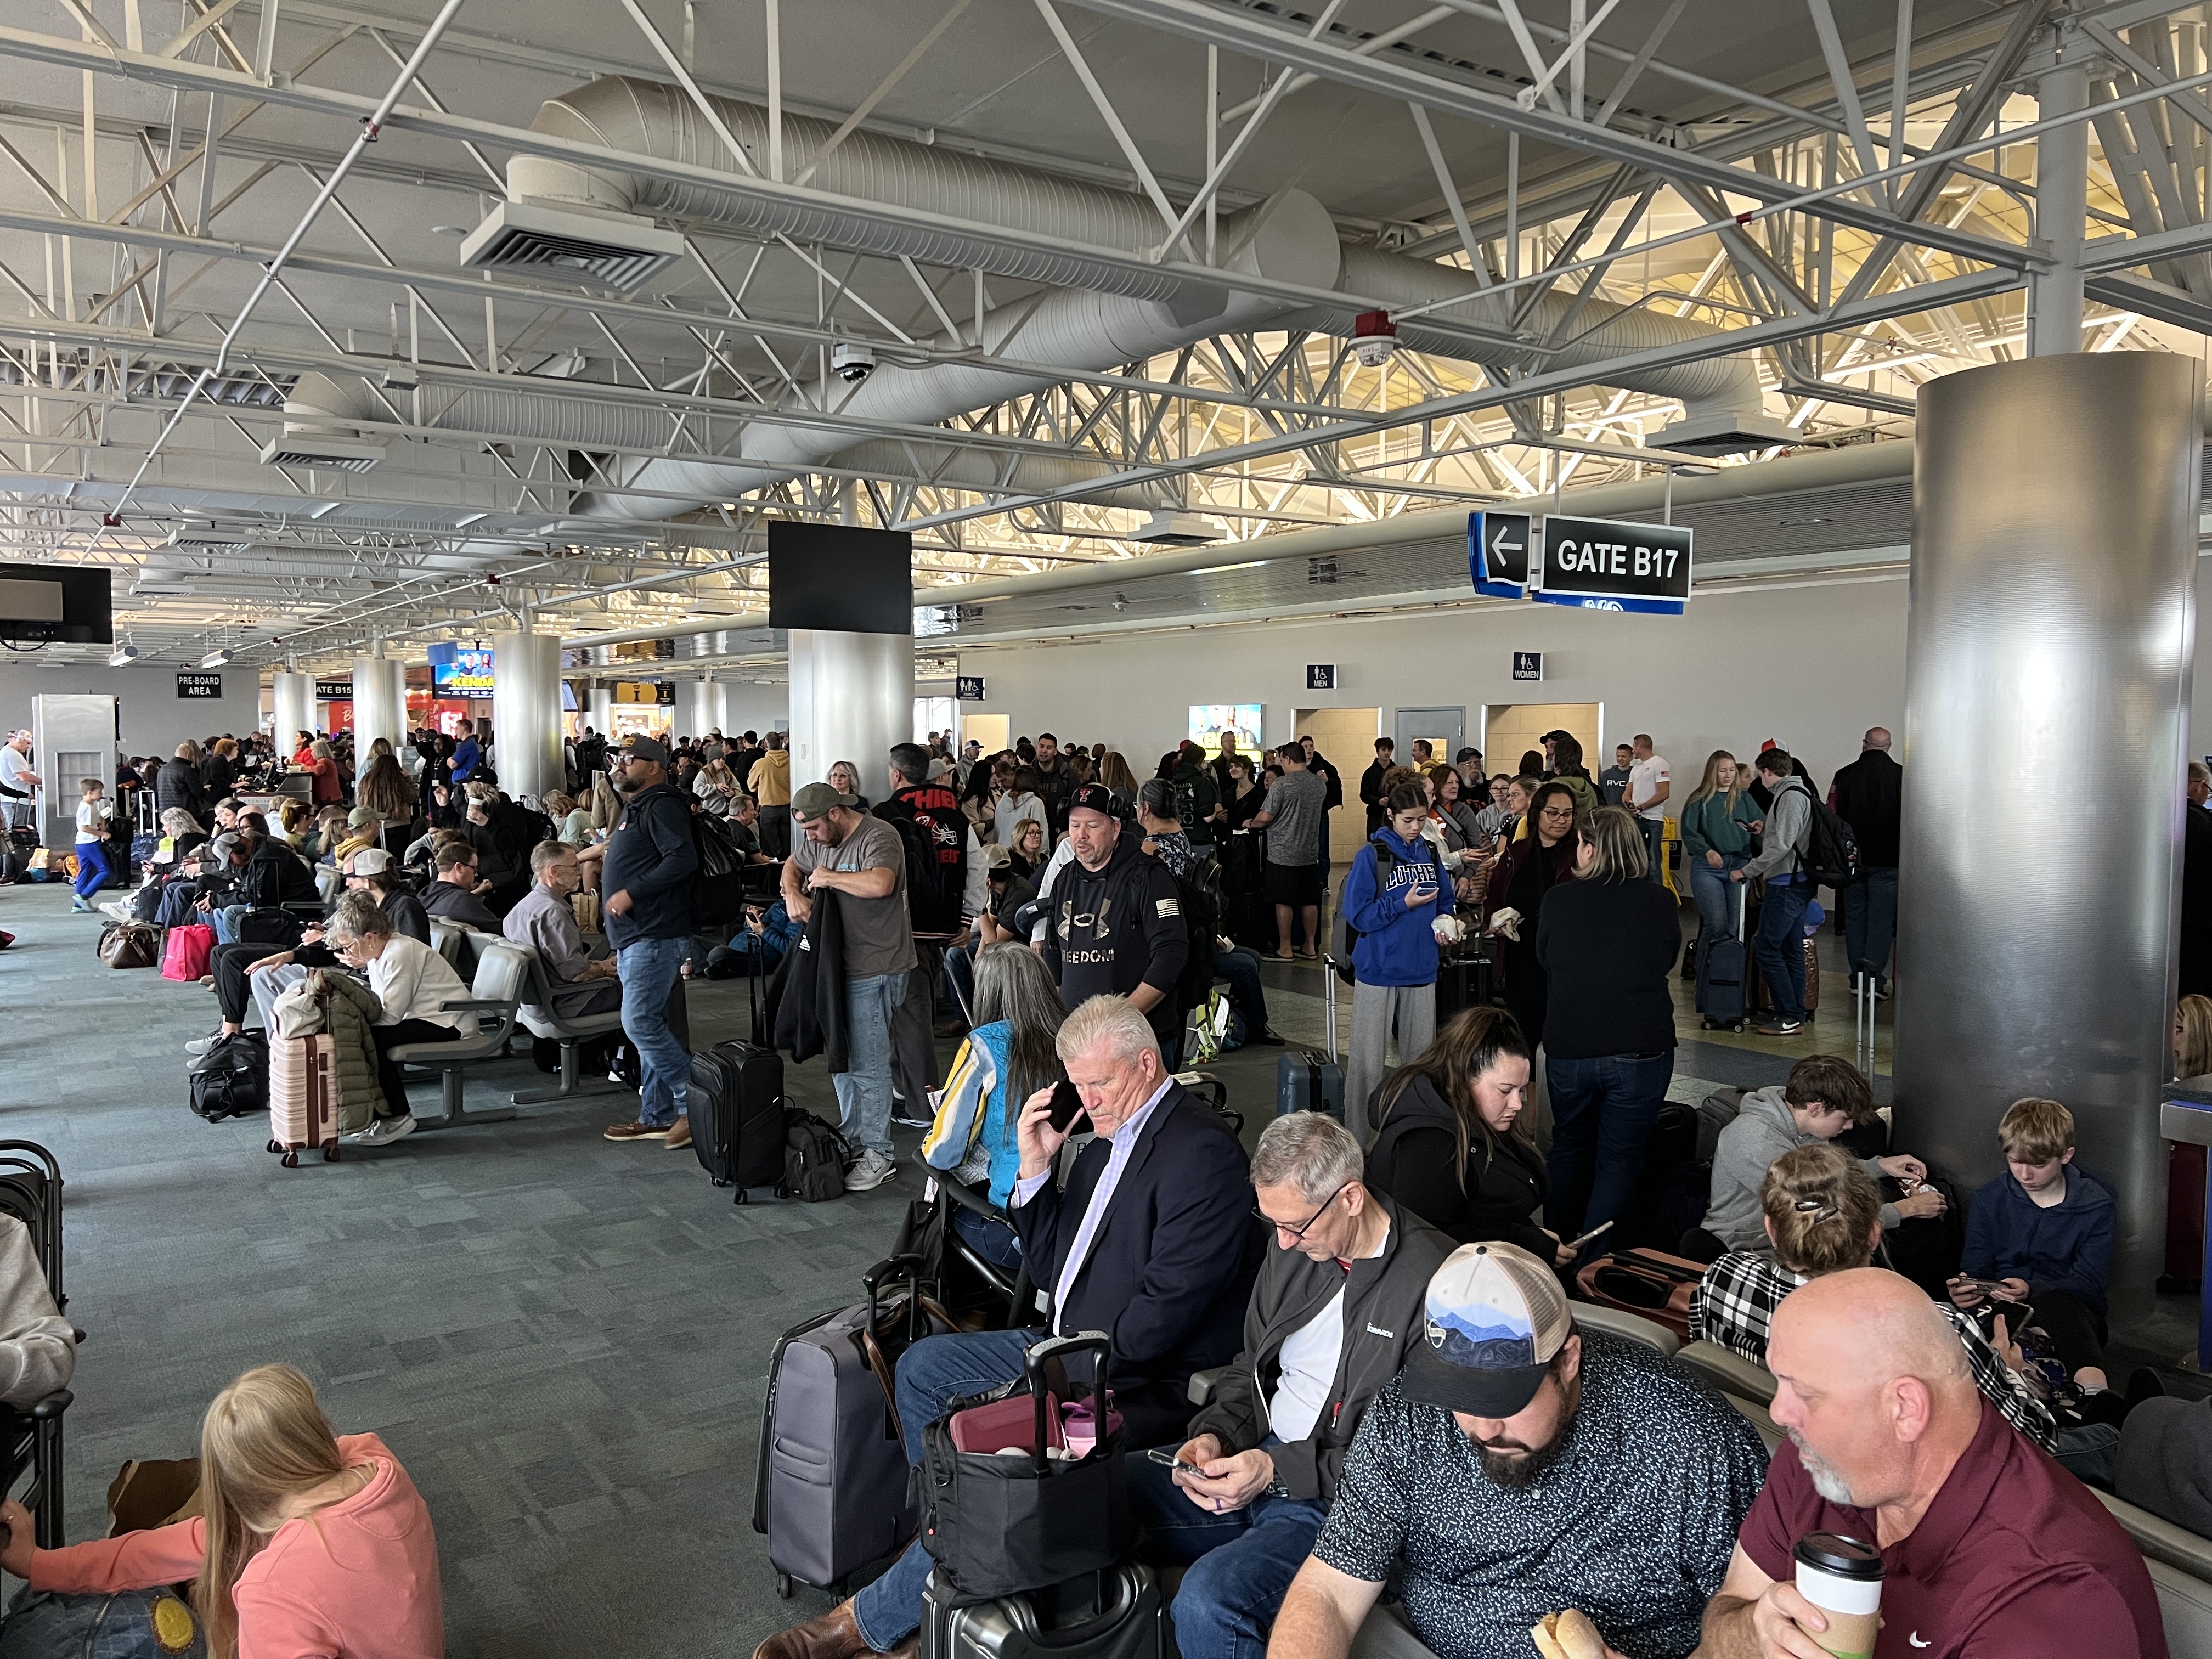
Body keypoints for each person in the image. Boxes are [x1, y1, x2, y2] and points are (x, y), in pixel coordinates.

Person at [758, 996, 1261, 1659]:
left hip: (1129, 1379)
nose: (1087, 1100)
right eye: (1077, 1084)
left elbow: (1160, 1320)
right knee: (923, 1370)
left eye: (1100, 1083)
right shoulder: (1107, 1141)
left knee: (987, 1464)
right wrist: (1036, 1166)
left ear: (1147, 1063)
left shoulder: (1200, 1155)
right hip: (1063, 1345)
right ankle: (948, 1550)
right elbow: (1050, 1266)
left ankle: (868, 1621)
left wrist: (1046, 1383)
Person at [1269, 1240, 1768, 1659]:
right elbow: (1330, 1592)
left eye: (1504, 1400)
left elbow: (1752, 1622)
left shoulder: (1689, 1438)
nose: (1483, 1428)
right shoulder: (1408, 1412)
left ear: (1568, 1360)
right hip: (1425, 1641)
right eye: (1459, 1398)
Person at [1697, 1269, 2165, 1659]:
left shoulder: (2057, 1600)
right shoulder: (1822, 1462)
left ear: (1905, 1408)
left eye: (1804, 1393)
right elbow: (1724, 1621)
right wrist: (1753, 1632)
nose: (1779, 1412)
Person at [1133, 1114, 1453, 1659]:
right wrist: (1215, 1435)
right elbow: (1250, 1367)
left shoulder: (1433, 1282)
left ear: (1351, 1198)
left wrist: (1276, 1472)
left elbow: (1415, 1460)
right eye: (1272, 1222)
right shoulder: (1293, 1250)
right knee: (1093, 1497)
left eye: (1297, 1226)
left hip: (1338, 1500)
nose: (1282, 1241)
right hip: (1253, 1458)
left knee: (1210, 1602)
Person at [0, 1363, 442, 1659]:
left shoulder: (275, 1589)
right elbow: (155, 1551)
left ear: (235, 1487)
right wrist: (40, 1564)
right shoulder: (375, 1462)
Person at [1688, 1145, 2068, 1454]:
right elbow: (2035, 1441)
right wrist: (2011, 1371)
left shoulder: (1722, 1277)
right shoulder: (1938, 1329)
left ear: (1771, 1228)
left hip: (1761, 1450)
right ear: (1874, 1233)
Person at [1536, 805, 1681, 1251]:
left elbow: (1546, 959)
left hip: (1571, 1044)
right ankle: (1593, 1264)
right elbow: (1666, 960)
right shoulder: (1659, 901)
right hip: (1640, 1045)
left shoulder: (1558, 899)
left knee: (1568, 1147)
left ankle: (1555, 1248)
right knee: (1620, 1160)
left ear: (1588, 849)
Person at [783, 780, 916, 1192]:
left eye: (814, 829)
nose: (810, 838)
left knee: (868, 1065)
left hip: (878, 965)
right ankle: (855, 1138)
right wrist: (792, 894)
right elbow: (792, 864)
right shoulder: (820, 840)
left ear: (836, 814)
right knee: (842, 1060)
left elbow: (881, 884)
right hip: (837, 966)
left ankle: (879, 1153)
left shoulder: (879, 836)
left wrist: (830, 877)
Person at [1365, 1006, 1572, 1263]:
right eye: (1505, 1090)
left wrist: (1529, 1237)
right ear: (1464, 1078)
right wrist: (1524, 1243)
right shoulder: (1429, 1144)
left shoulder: (1476, 1116)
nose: (1518, 1104)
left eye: (1521, 1091)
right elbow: (1429, 1239)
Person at [1697, 1053, 1938, 1257]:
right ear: (1816, 1108)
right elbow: (1822, 1216)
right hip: (1752, 1247)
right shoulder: (1755, 1141)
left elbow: (1826, 1177)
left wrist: (1881, 1165)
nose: (1849, 1126)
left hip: (1790, 1234)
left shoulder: (1800, 1123)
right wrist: (1905, 1209)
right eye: (1844, 1118)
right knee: (1904, 1242)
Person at [921, 941, 1068, 1270]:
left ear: (987, 993)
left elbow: (943, 1153)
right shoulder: (1078, 1036)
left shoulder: (984, 1044)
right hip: (1084, 1221)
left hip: (1017, 1230)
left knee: (940, 1215)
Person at [1950, 1097, 2117, 1381]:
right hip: (2002, 1307)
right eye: (2015, 1161)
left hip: (2070, 1315)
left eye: (2038, 1165)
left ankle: (2093, 1387)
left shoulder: (2096, 1205)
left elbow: (2090, 1283)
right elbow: (1976, 1266)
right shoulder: (1990, 1199)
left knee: (2054, 1303)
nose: (2025, 1175)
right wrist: (1967, 1289)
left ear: (2066, 1156)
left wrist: (2030, 1288)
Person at [1037, 782, 1189, 1059]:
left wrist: (1118, 1020)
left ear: (1116, 828)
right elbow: (1053, 950)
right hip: (1078, 1042)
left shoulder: (1149, 877)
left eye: (1092, 826)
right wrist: (1059, 1015)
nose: (1081, 835)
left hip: (1138, 1042)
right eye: (1075, 826)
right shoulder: (1064, 879)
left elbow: (1171, 955)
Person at [599, 736, 700, 1149]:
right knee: (653, 1024)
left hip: (654, 935)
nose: (619, 765)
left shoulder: (662, 805)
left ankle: (698, 1102)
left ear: (655, 766)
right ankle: (656, 1115)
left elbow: (682, 858)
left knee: (639, 1022)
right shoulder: (641, 805)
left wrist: (631, 892)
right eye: (617, 758)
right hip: (640, 936)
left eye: (629, 759)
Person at [324, 892, 470, 1147]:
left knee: (367, 1039)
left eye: (348, 946)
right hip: (425, 1017)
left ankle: (399, 1116)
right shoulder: (380, 953)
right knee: (361, 1036)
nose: (346, 952)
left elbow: (390, 1016)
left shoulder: (400, 953)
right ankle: (378, 1114)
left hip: (449, 1022)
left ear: (370, 937)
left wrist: (356, 1024)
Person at [1341, 783, 1446, 1131]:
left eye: (1421, 819)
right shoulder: (1372, 855)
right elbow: (1358, 915)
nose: (1415, 827)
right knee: (1367, 1064)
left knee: (1420, 1065)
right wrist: (1402, 904)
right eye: (1407, 820)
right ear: (1391, 815)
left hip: (1421, 969)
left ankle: (1415, 1134)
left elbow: (1444, 901)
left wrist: (1447, 923)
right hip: (1379, 969)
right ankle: (1358, 1138)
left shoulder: (1430, 852)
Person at [1482, 780, 1580, 1049]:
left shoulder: (1581, 855)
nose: (1561, 820)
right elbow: (1494, 896)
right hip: (1520, 956)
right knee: (1523, 1032)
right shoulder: (1516, 853)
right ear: (1537, 814)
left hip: (1563, 959)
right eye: (1553, 813)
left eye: (1568, 814)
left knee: (1559, 1035)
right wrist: (1496, 920)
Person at [1735, 748, 1816, 1036]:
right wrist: (1765, 829)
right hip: (1797, 881)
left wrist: (1747, 871)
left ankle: (1789, 1014)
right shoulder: (1794, 793)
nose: (1760, 780)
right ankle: (1796, 1014)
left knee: (1767, 948)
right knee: (1790, 948)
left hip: (1787, 883)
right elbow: (1787, 836)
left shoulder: (1791, 797)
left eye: (1760, 774)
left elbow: (1782, 846)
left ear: (1769, 772)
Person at [504, 842, 622, 1023]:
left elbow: (556, 964)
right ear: (555, 872)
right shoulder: (554, 914)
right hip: (568, 1003)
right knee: (647, 990)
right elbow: (578, 975)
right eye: (575, 866)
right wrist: (605, 969)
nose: (580, 872)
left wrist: (600, 964)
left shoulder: (519, 909)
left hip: (533, 1004)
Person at [1829, 725, 1903, 998]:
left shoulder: (1844, 775)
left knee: (1855, 919)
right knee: (1881, 922)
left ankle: (1856, 981)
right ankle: (1875, 983)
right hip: (1889, 862)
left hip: (1853, 862)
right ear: (1889, 747)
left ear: (1865, 744)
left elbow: (1832, 818)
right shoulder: (1902, 776)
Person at [1251, 743, 1328, 961]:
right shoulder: (1319, 784)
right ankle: (1310, 947)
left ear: (1287, 759)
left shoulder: (1282, 784)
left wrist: (1252, 823)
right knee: (1309, 901)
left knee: (1283, 900)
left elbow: (1266, 816)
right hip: (1310, 853)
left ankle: (1285, 948)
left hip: (1283, 853)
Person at [1680, 750, 1761, 950]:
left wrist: (1760, 830)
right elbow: (1689, 832)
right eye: (1723, 771)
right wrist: (1707, 851)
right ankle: (1704, 965)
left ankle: (1727, 967)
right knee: (1716, 924)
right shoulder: (1699, 799)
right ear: (1712, 772)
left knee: (1734, 926)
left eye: (1732, 770)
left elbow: (1761, 825)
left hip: (1739, 865)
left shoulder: (1744, 798)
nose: (1728, 775)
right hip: (1708, 867)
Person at [421, 842, 502, 932]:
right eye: (474, 869)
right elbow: (503, 931)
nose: (476, 874)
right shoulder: (461, 900)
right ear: (459, 867)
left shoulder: (423, 896)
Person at [1624, 732, 1670, 884]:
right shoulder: (1636, 769)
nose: (1632, 750)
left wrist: (1641, 807)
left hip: (1653, 821)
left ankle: (1657, 894)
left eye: (1634, 746)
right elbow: (1627, 792)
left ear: (1639, 746)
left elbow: (1664, 793)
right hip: (1637, 819)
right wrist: (1628, 802)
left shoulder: (1659, 763)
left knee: (1654, 862)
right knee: (1637, 860)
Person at [68, 777, 116, 913]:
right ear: (90, 792)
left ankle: (78, 906)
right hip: (90, 843)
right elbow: (85, 828)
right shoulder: (87, 808)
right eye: (99, 792)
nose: (101, 795)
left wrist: (102, 821)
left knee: (85, 872)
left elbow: (93, 824)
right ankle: (84, 896)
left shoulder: (87, 806)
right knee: (105, 870)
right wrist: (103, 834)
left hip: (82, 844)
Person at [749, 732, 793, 858]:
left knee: (770, 845)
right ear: (781, 743)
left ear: (765, 744)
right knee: (787, 843)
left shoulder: (761, 764)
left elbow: (751, 786)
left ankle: (773, 868)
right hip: (787, 807)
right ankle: (787, 866)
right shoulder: (791, 761)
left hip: (769, 809)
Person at [1030, 732, 1074, 837]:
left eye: (1049, 748)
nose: (1044, 751)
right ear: (1037, 748)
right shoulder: (1029, 774)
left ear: (1055, 752)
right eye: (1041, 746)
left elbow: (1076, 803)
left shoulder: (1067, 773)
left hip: (1060, 832)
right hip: (1034, 834)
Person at [155, 742, 207, 821]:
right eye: (192, 756)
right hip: (183, 813)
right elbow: (198, 792)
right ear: (188, 755)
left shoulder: (162, 769)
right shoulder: (187, 770)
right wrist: (206, 789)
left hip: (165, 812)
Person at [0, 730, 37, 832]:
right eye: (28, 743)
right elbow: (23, 777)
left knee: (12, 830)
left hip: (14, 798)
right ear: (19, 740)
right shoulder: (12, 755)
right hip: (14, 801)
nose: (29, 746)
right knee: (14, 831)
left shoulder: (8, 753)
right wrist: (42, 782)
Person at [1358, 737, 1395, 834]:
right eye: (1383, 750)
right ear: (1377, 751)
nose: (1387, 753)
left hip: (1394, 813)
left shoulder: (1397, 772)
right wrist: (1378, 801)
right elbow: (1364, 795)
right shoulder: (1370, 772)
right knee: (1375, 839)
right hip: (1375, 815)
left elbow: (1402, 792)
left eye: (1389, 750)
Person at [1598, 743, 1634, 808]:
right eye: (1618, 756)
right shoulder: (1606, 774)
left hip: (1627, 811)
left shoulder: (1635, 774)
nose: (1620, 759)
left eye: (1623, 756)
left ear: (1631, 758)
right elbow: (1600, 795)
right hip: (1608, 810)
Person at [449, 718, 482, 785]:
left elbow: (453, 764)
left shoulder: (467, 745)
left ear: (463, 728)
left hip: (464, 783)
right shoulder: (470, 743)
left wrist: (449, 759)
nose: (456, 731)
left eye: (457, 728)